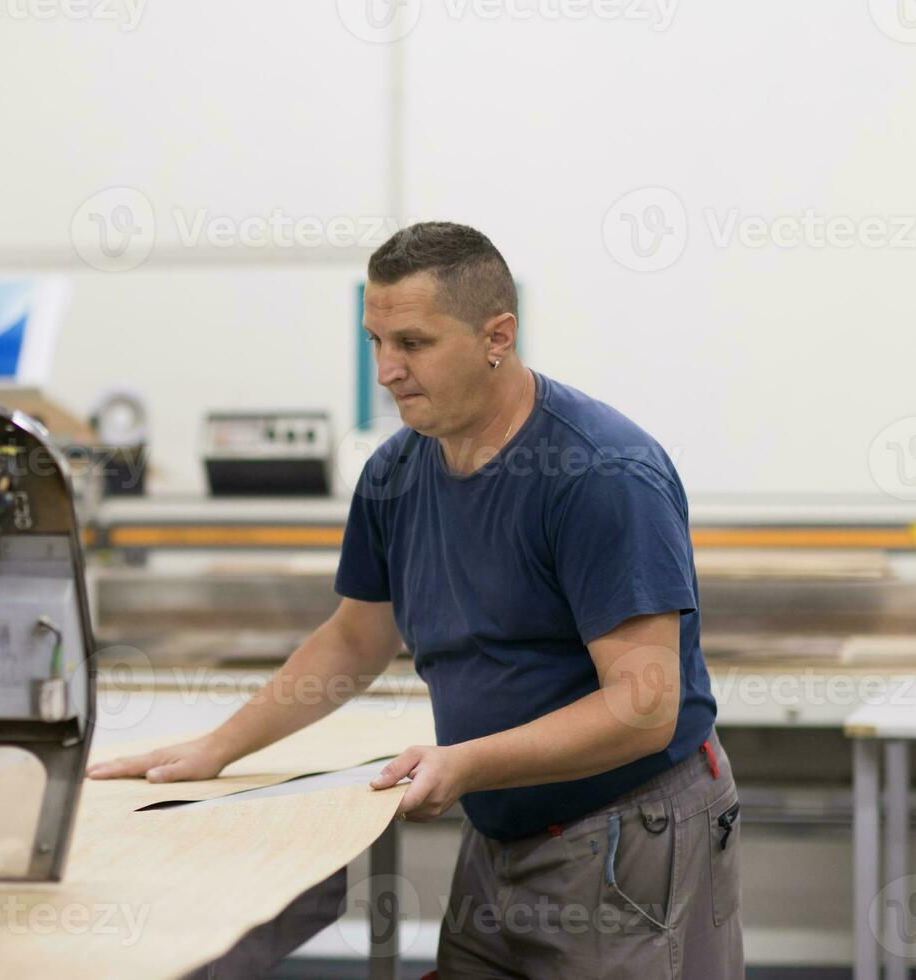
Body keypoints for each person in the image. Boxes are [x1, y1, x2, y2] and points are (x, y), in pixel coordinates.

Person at [88, 221, 741, 978]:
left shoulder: (599, 475)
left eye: (413, 343)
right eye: (374, 342)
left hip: (627, 832)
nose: (385, 370)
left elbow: (641, 707)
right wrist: (218, 747)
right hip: (500, 822)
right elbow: (354, 640)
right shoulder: (397, 473)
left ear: (497, 334)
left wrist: (462, 763)